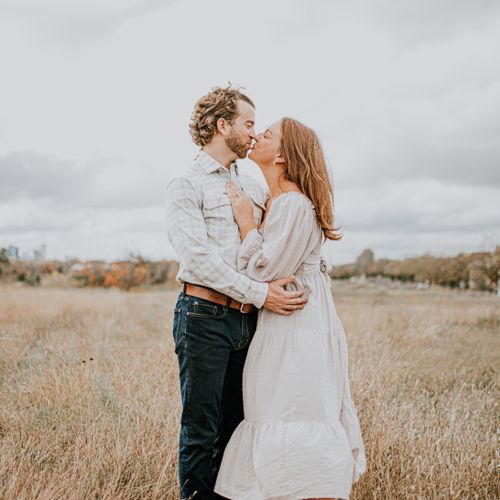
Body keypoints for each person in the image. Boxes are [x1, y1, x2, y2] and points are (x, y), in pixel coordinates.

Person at [165, 86, 308, 500]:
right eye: (247, 124)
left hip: (249, 320)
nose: (253, 133)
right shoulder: (186, 184)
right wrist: (262, 293)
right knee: (201, 428)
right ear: (221, 124)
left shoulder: (251, 185)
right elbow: (197, 259)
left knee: (240, 426)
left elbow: (267, 239)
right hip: (203, 317)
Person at [214, 117, 367, 500]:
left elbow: (265, 269)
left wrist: (247, 226)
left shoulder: (293, 204)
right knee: (280, 413)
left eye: (265, 134)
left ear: (281, 155)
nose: (255, 137)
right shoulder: (281, 202)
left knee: (294, 413)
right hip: (290, 322)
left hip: (296, 328)